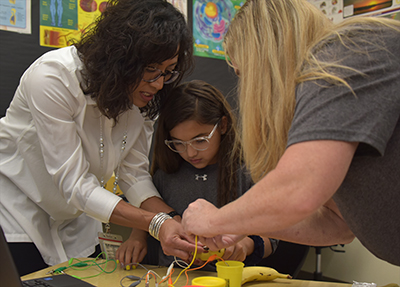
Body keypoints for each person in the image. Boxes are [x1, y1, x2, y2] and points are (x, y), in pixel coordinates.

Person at [181, 0, 400, 266]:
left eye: (243, 72)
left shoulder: (343, 53)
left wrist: (215, 220)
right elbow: (339, 225)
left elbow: (298, 189)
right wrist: (239, 225)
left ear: (265, 60)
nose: (245, 87)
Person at [0, 0, 199, 276]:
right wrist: (156, 223)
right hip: (17, 211)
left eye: (168, 70)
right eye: (152, 68)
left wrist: (175, 220)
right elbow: (75, 185)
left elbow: (133, 176)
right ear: (122, 56)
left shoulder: (144, 97)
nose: (158, 82)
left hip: (75, 221)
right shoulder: (53, 79)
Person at [115, 80, 278, 269]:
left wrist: (246, 245)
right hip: (173, 277)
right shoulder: (166, 174)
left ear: (223, 125)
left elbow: (272, 237)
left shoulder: (248, 172)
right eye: (179, 143)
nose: (190, 153)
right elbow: (149, 212)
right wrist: (137, 236)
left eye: (200, 141)